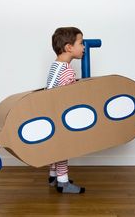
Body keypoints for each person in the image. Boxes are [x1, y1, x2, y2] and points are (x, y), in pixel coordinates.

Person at [46, 27, 85, 194]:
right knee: (63, 148)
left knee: (55, 146)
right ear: (69, 47)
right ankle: (63, 182)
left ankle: (53, 175)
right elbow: (70, 95)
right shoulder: (67, 70)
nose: (84, 47)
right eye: (81, 43)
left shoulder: (56, 65)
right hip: (59, 113)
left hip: (50, 111)